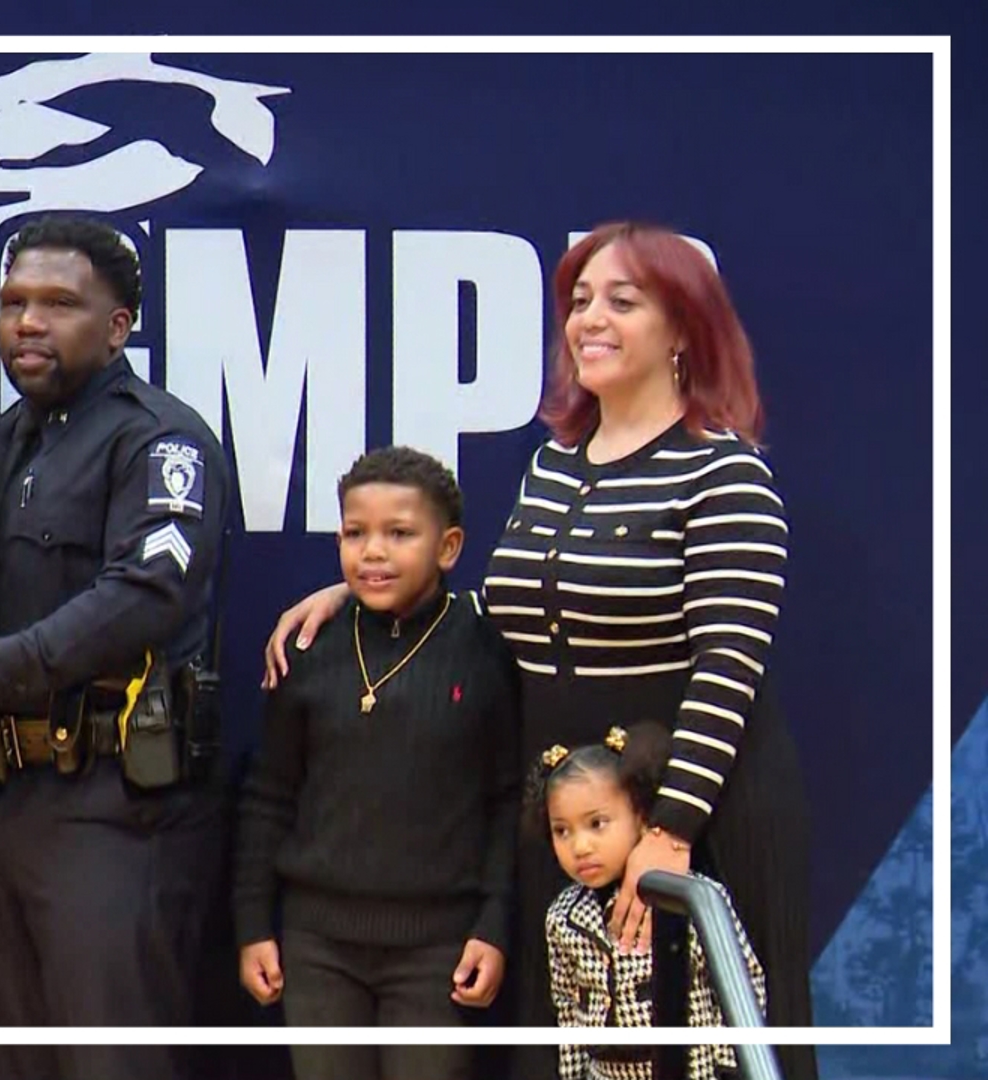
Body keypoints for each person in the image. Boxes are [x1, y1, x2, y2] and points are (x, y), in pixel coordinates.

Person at [263, 222, 815, 1080]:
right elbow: (522, 612)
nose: (589, 319)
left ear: (683, 329)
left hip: (686, 815)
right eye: (580, 300)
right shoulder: (555, 464)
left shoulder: (724, 474)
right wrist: (368, 592)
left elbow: (729, 665)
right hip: (566, 814)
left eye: (621, 302)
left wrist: (669, 833)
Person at [0, 214, 231, 1080]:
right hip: (1, 807)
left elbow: (146, 595)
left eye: (58, 304)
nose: (28, 323)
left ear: (118, 327)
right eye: (12, 303)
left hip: (115, 810)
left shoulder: (160, 437)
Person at [233, 446, 519, 1080]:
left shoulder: (483, 649)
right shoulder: (306, 648)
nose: (373, 553)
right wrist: (253, 924)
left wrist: (494, 925)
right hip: (317, 947)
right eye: (355, 534)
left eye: (399, 534)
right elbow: (268, 796)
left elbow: (506, 800)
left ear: (447, 547)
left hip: (438, 948)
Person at [533, 723, 768, 1080]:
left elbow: (741, 984)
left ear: (642, 818)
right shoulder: (562, 917)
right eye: (562, 830)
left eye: (597, 823)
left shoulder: (691, 899)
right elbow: (568, 1007)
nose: (580, 846)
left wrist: (728, 1068)